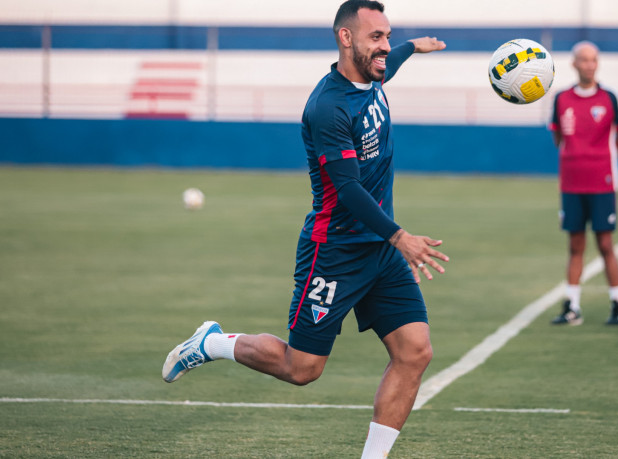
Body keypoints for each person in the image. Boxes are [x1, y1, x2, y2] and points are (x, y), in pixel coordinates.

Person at [162, 2, 448, 457]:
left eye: (389, 36)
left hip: (378, 250)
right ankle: (212, 342)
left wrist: (416, 46)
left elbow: (391, 62)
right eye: (376, 37)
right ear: (346, 38)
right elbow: (348, 188)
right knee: (302, 369)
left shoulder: (374, 71)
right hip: (335, 251)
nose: (386, 47)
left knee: (415, 351)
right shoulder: (328, 107)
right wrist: (400, 237)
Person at [548, 40, 618, 326]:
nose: (588, 64)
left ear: (597, 64)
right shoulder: (561, 99)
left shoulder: (610, 97)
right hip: (571, 184)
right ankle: (572, 306)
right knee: (575, 244)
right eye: (583, 60)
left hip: (602, 183)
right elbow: (557, 137)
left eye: (592, 60)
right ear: (574, 64)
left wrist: (602, 162)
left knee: (606, 243)